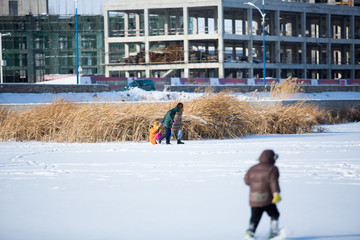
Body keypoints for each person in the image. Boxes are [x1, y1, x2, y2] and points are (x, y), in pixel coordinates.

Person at [244, 150, 282, 240]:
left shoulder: (252, 168)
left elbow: (247, 181)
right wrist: (276, 194)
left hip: (254, 198)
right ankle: (274, 233)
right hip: (267, 199)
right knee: (274, 214)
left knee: (254, 217)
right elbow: (273, 182)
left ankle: (250, 232)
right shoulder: (272, 169)